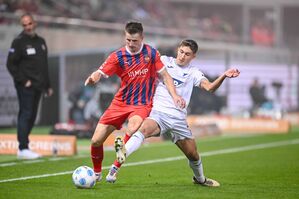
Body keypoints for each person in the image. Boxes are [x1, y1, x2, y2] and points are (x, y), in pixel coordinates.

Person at [108, 39, 240, 186]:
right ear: (178, 49)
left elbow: (209, 88)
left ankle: (200, 179)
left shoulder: (193, 73)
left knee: (193, 155)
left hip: (178, 120)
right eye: (181, 51)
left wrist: (224, 75)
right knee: (143, 130)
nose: (182, 56)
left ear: (193, 57)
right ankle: (118, 161)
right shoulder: (163, 61)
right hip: (159, 114)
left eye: (187, 54)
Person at [84, 21, 185, 182]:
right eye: (128, 40)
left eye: (135, 41)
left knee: (133, 127)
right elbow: (101, 72)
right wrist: (94, 76)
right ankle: (96, 173)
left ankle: (118, 160)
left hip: (142, 103)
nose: (131, 44)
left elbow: (165, 75)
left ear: (142, 38)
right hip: (120, 102)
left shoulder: (151, 54)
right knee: (96, 140)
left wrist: (175, 96)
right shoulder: (117, 56)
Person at [6, 13, 53, 159]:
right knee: (26, 114)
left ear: (35, 23)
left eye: (29, 24)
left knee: (32, 116)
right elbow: (10, 64)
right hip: (25, 86)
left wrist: (48, 85)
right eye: (24, 25)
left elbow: (44, 66)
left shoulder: (41, 42)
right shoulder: (18, 42)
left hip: (39, 86)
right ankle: (23, 147)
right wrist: (23, 80)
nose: (27, 27)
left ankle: (24, 147)